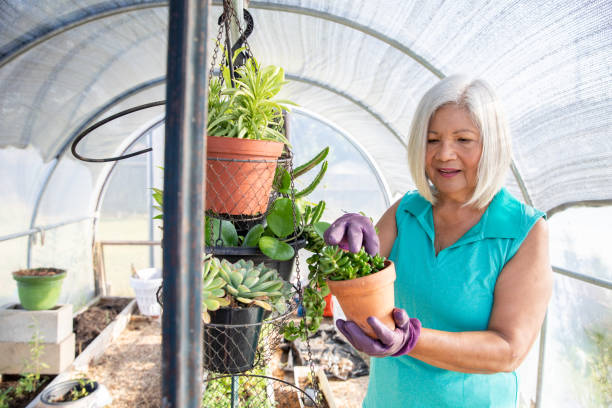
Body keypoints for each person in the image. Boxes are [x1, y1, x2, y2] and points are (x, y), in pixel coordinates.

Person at [324, 75, 553, 407]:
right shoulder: (407, 212)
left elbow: (508, 350)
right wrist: (346, 245)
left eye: (463, 139)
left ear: (492, 145)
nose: (445, 154)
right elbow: (355, 284)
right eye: (433, 140)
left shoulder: (523, 231)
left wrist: (411, 340)